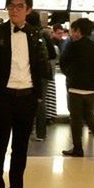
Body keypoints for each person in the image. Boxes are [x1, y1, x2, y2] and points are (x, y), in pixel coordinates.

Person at [0, 0, 49, 188]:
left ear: (28, 10)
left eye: (19, 6)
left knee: (20, 150)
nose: (14, 10)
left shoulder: (34, 34)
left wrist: (38, 96)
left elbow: (41, 65)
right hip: (5, 99)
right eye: (11, 6)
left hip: (27, 98)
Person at [60, 18, 94, 158]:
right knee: (89, 117)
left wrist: (69, 75)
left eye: (73, 30)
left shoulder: (72, 46)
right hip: (91, 88)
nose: (72, 33)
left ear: (78, 31)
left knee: (76, 119)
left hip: (75, 88)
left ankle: (78, 148)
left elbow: (63, 63)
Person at [26, 10, 54, 141]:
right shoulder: (45, 35)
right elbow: (53, 54)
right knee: (40, 101)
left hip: (30, 73)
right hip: (44, 73)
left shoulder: (28, 33)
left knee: (32, 102)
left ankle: (31, 130)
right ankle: (40, 133)